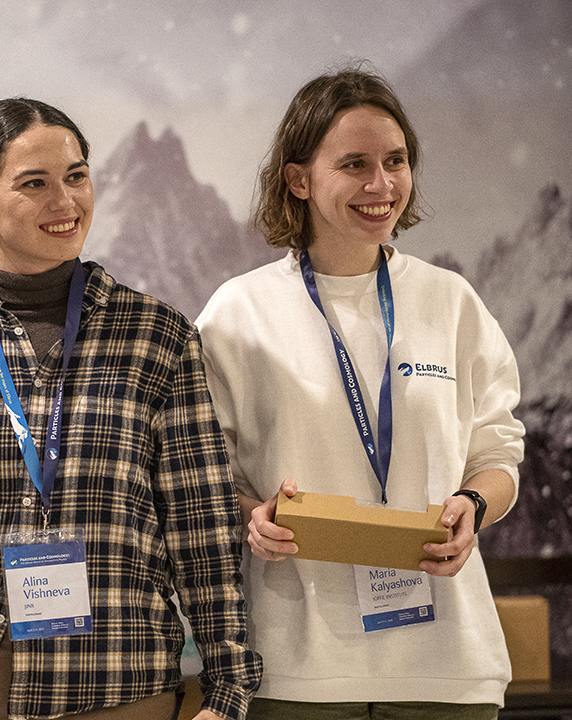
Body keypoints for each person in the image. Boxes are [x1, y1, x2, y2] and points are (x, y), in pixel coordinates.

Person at [0, 98, 262, 720]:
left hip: (121, 684)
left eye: (76, 176)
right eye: (34, 183)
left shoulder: (158, 337)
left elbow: (201, 526)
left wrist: (228, 689)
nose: (65, 201)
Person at [195, 66, 525, 719]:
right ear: (298, 180)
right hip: (298, 668)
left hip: (447, 669)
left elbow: (499, 453)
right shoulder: (239, 313)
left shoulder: (450, 301)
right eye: (354, 165)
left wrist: (472, 505)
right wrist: (252, 515)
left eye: (395, 161)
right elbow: (199, 474)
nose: (382, 185)